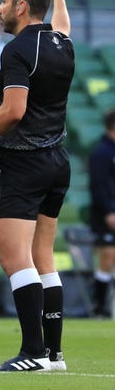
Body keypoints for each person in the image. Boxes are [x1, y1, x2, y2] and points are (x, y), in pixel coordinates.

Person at [0, 0, 73, 372]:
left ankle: (32, 352)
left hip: (23, 164)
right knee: (43, 257)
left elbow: (13, 111)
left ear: (20, 6)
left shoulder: (15, 50)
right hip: (57, 162)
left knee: (16, 260)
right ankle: (53, 354)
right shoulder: (61, 43)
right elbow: (62, 24)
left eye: (3, 0)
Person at [88, 109, 115, 317]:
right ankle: (100, 307)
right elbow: (98, 186)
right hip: (106, 215)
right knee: (108, 256)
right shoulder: (101, 153)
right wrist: (108, 212)